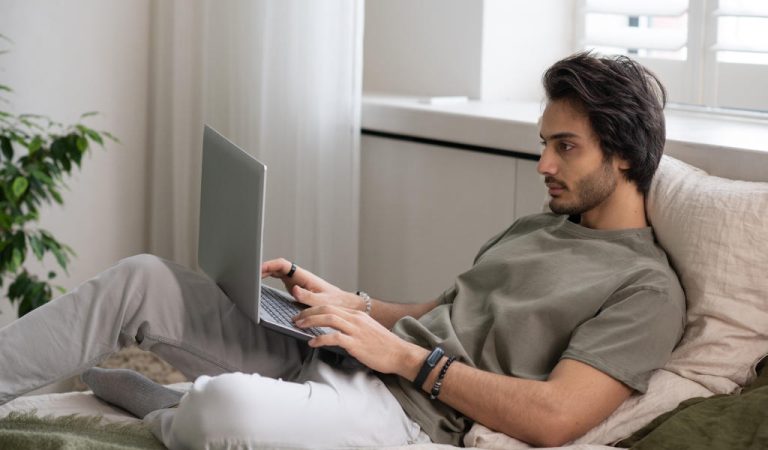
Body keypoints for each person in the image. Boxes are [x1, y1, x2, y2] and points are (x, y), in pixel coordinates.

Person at [0, 52, 685, 449]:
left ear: (623, 154)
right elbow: (443, 311)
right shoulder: (541, 228)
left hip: (405, 418)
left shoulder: (646, 287)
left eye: (565, 147)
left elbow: (559, 416)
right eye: (544, 142)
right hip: (348, 356)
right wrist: (344, 303)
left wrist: (406, 360)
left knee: (228, 410)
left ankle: (162, 407)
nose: (544, 163)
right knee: (144, 278)